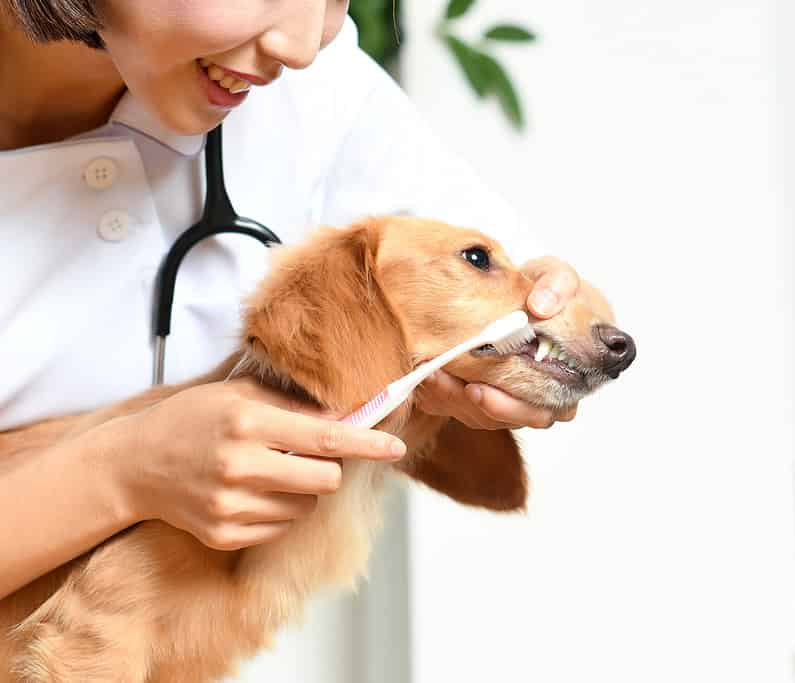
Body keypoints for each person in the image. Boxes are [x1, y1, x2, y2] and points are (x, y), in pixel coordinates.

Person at [0, 0, 582, 675]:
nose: (303, 44)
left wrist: (529, 346)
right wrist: (123, 471)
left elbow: (544, 293)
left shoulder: (310, 91)